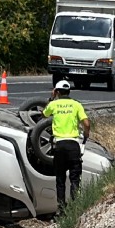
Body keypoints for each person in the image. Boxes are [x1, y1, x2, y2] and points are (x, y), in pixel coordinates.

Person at [43, 79, 90, 211]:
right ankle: (75, 208)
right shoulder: (76, 105)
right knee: (75, 178)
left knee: (60, 179)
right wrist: (86, 134)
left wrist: (51, 98)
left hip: (59, 145)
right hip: (73, 145)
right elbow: (86, 124)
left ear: (57, 92)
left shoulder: (54, 104)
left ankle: (61, 210)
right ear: (69, 91)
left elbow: (44, 114)